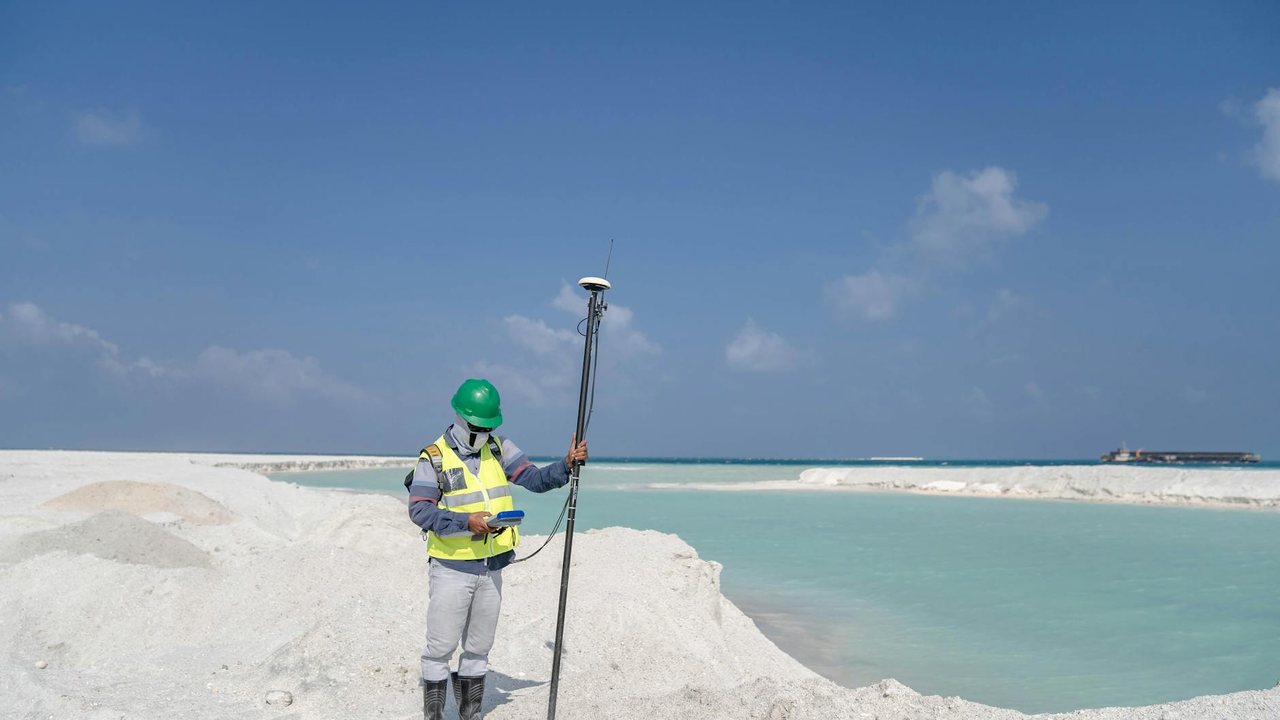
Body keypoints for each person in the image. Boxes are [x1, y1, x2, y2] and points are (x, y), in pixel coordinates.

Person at [407, 378, 587, 720]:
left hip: (491, 567)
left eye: (489, 427)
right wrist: (466, 522)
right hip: (451, 567)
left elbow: (533, 478)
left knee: (478, 647)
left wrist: (565, 465)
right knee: (440, 647)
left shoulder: (499, 447)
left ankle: (470, 713)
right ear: (460, 418)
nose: (483, 433)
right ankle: (433, 715)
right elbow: (420, 510)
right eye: (477, 426)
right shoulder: (433, 458)